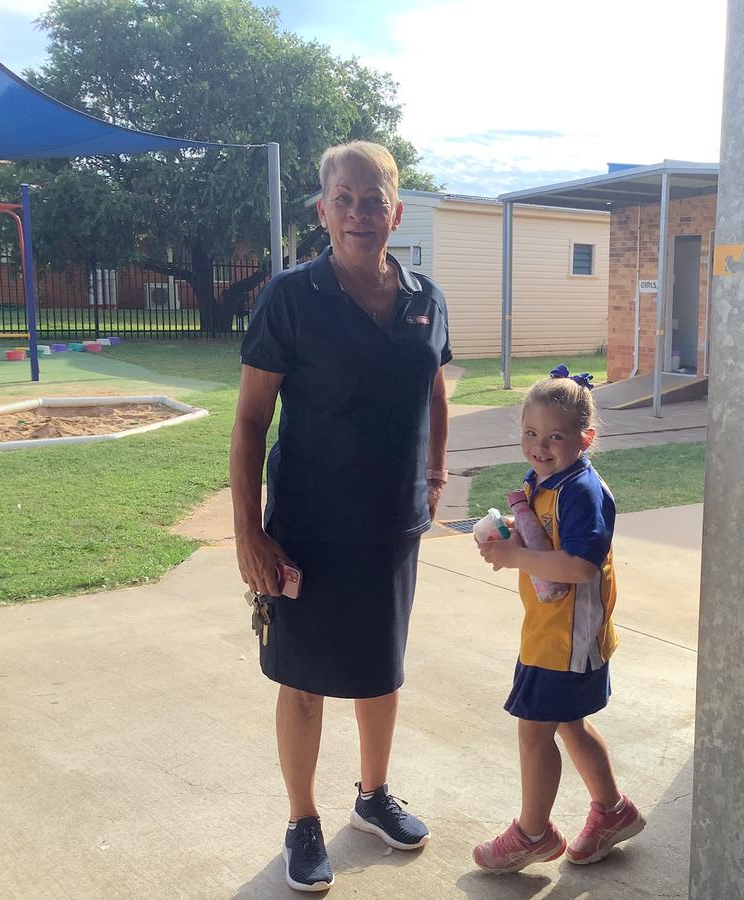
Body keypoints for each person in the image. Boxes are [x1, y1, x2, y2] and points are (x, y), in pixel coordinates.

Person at [230, 141, 451, 892]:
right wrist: (249, 531)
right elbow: (250, 421)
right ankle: (302, 819)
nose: (360, 213)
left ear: (396, 210)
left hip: (391, 527)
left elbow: (436, 388)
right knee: (304, 679)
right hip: (307, 528)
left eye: (374, 199)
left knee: (381, 670)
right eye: (345, 200)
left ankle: (373, 797)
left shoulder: (425, 298)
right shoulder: (290, 297)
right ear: (324, 211)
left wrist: (435, 473)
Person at [472, 366, 645, 874]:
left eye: (554, 437)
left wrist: (515, 558)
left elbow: (579, 566)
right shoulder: (544, 480)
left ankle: (533, 834)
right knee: (569, 723)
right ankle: (614, 812)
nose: (539, 446)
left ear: (584, 438)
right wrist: (512, 532)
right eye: (530, 433)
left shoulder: (582, 491)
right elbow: (546, 536)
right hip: (549, 631)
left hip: (569, 638)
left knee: (534, 731)